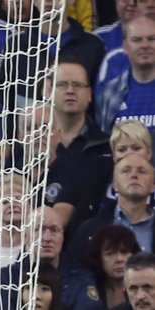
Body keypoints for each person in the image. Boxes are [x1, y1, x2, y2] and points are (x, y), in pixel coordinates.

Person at [46, 57, 113, 233]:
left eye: (77, 85)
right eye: (62, 85)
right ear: (48, 91)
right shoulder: (30, 145)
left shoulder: (107, 147)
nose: (70, 90)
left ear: (90, 94)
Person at [68, 153, 155, 257]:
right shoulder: (89, 229)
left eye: (142, 171)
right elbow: (72, 268)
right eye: (126, 170)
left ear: (152, 186)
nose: (134, 175)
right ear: (115, 185)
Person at [95, 16, 155, 152]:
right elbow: (104, 143)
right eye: (137, 40)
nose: (145, 45)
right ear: (125, 47)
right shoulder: (109, 92)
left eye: (152, 39)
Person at [84, 224, 141, 309]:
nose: (119, 259)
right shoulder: (91, 287)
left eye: (124, 252)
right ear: (98, 258)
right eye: (110, 254)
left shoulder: (144, 288)